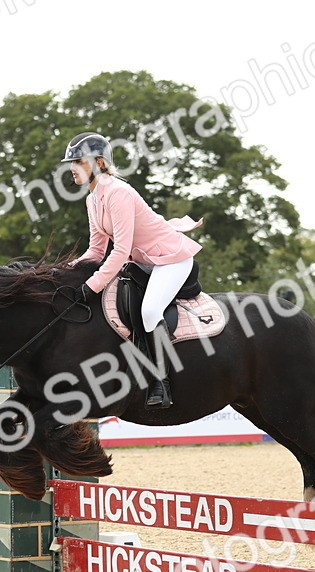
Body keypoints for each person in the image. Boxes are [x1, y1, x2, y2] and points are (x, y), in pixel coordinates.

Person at [65, 132, 203, 410]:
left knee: (150, 310)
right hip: (143, 261)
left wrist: (91, 286)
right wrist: (64, 272)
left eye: (79, 161)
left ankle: (161, 382)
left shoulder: (118, 193)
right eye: (71, 163)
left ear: (99, 163)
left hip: (170, 259)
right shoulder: (92, 199)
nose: (72, 168)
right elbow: (96, 251)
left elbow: (120, 250)